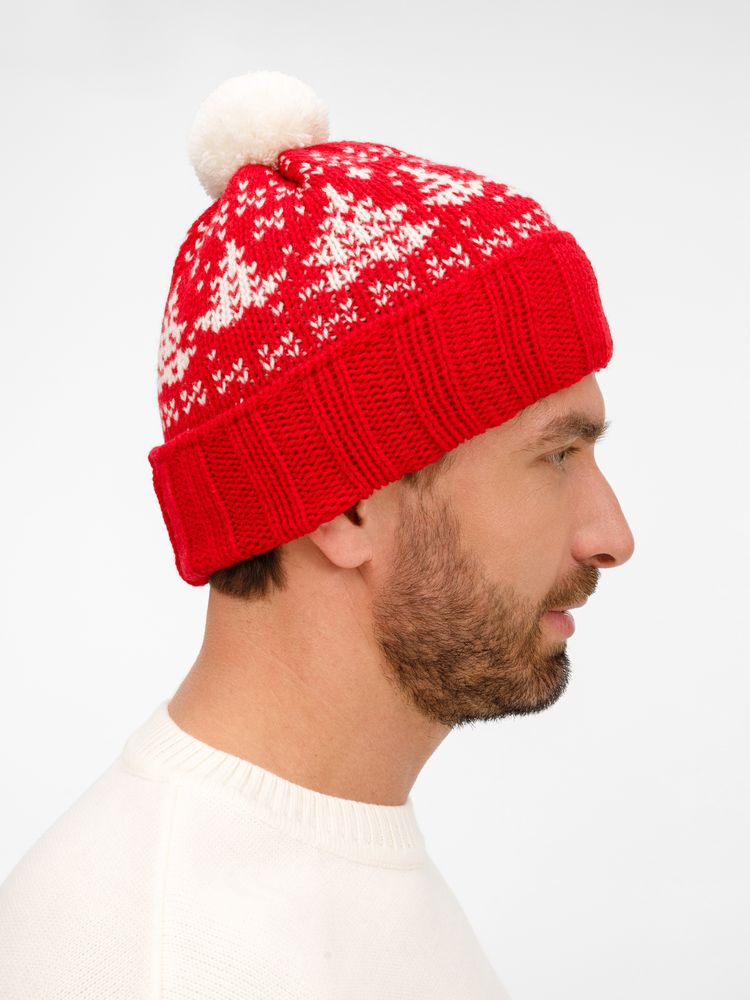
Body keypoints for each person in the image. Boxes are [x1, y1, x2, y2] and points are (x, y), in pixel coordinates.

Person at [0, 69, 634, 999]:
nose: (612, 535)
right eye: (557, 455)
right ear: (347, 506)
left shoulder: (320, 870)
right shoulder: (160, 960)